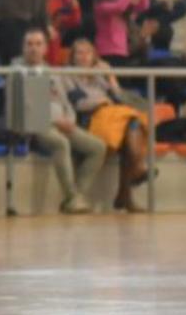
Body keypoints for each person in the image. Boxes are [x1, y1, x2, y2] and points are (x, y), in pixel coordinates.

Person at [18, 29, 107, 214]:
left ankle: (76, 195)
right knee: (61, 143)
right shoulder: (17, 71)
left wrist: (70, 119)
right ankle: (72, 198)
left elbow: (65, 100)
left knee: (98, 147)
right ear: (23, 48)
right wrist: (57, 121)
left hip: (63, 123)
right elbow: (28, 106)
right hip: (35, 124)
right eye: (29, 44)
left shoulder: (52, 72)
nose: (34, 49)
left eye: (38, 44)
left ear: (45, 48)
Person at [64, 39, 150, 213]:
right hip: (89, 120)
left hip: (113, 121)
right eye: (79, 53)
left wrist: (111, 78)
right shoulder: (67, 75)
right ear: (72, 57)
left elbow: (121, 99)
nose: (83, 57)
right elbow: (77, 104)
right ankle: (136, 172)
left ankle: (124, 194)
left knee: (131, 123)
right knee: (131, 120)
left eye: (88, 52)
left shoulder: (98, 77)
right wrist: (101, 101)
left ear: (94, 57)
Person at [93, 0, 150, 66]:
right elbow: (119, 7)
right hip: (107, 52)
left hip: (122, 51)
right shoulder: (101, 5)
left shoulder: (123, 5)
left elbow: (143, 6)